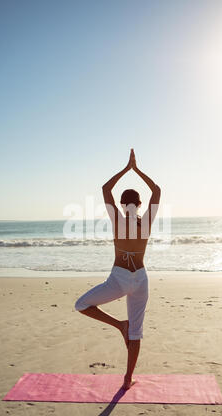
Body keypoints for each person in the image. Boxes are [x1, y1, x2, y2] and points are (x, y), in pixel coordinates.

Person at [74, 149, 161, 390]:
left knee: (81, 305)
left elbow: (105, 189)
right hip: (141, 279)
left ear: (123, 205)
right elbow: (157, 191)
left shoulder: (118, 221)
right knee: (137, 332)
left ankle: (119, 325)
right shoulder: (147, 221)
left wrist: (126, 169)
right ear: (140, 204)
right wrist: (137, 170)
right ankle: (127, 379)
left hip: (119, 279)